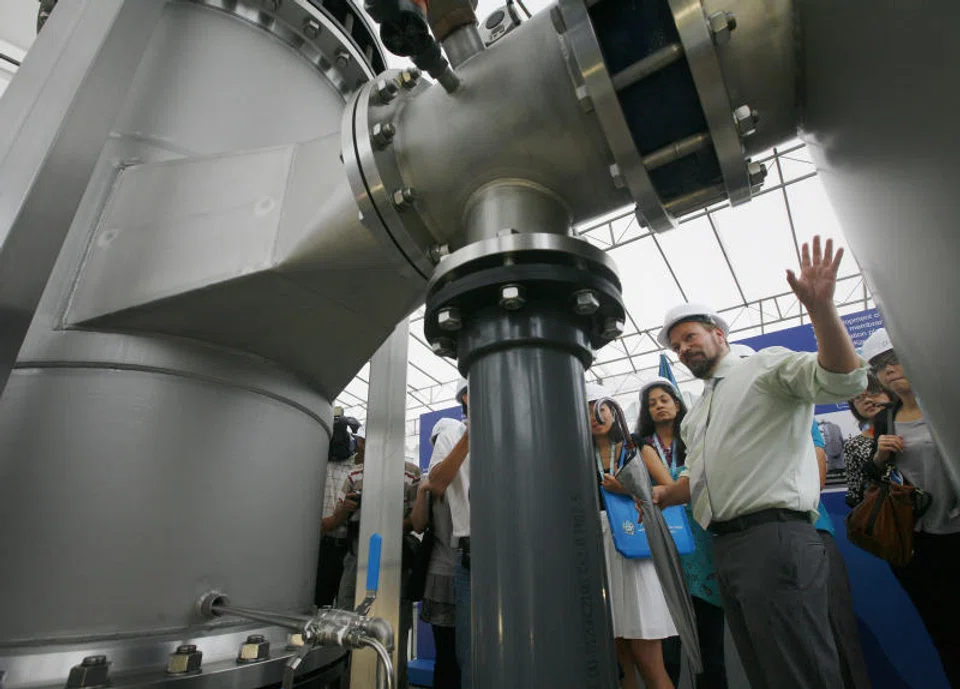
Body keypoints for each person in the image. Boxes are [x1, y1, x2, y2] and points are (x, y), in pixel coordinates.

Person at [652, 237, 868, 689]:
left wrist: (822, 310)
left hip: (774, 538)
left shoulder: (764, 368)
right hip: (727, 549)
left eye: (690, 336)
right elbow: (697, 482)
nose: (684, 349)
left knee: (801, 671)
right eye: (676, 346)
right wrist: (655, 493)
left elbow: (843, 378)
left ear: (719, 334)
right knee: (768, 672)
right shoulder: (700, 413)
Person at [860, 327, 960, 686]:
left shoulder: (948, 401)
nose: (889, 371)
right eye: (880, 366)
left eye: (894, 359)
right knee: (945, 633)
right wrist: (882, 455)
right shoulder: (885, 418)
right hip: (918, 542)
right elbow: (876, 477)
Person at [634, 378, 726, 689]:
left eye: (664, 399)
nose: (659, 405)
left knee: (710, 647)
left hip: (702, 546)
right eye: (651, 403)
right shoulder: (638, 449)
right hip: (659, 549)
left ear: (677, 403)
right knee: (668, 653)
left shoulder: (698, 439)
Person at [588, 383, 677, 689]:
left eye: (600, 406)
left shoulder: (636, 447)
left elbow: (668, 489)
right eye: (586, 409)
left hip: (635, 550)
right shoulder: (577, 455)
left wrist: (623, 488)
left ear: (613, 410)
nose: (595, 415)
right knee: (620, 659)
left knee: (647, 656)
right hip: (597, 553)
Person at [335, 425, 422, 688]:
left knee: (397, 623)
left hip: (395, 555)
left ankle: (397, 681)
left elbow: (417, 521)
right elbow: (340, 520)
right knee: (347, 620)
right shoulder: (353, 475)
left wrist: (388, 521)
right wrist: (347, 508)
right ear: (361, 443)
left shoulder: (411, 473)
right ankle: (351, 680)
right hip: (357, 552)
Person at [811, 421, 873, 689]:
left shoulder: (801, 419)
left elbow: (817, 479)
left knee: (837, 628)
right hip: (758, 547)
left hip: (811, 532)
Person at [410, 417, 464, 689]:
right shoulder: (429, 480)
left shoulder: (469, 475)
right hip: (440, 574)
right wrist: (422, 492)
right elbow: (418, 525)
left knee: (463, 652)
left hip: (466, 571)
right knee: (446, 654)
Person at [427, 380, 471, 689]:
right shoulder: (451, 435)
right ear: (467, 396)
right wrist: (469, 436)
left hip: (517, 548)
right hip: (471, 553)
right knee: (468, 649)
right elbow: (437, 482)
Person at [315, 411, 362, 607]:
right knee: (319, 604)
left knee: (346, 607)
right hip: (322, 549)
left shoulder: (357, 470)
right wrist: (340, 516)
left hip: (351, 548)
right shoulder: (315, 467)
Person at [843, 373, 893, 507]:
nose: (867, 400)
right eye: (858, 397)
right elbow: (855, 494)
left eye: (873, 391)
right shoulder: (853, 445)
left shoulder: (913, 427)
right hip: (886, 514)